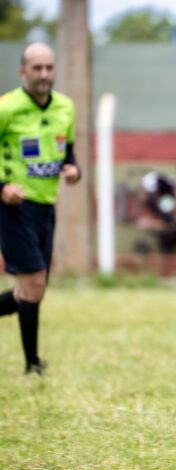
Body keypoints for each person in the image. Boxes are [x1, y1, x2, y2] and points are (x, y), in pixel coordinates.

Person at [0, 42, 80, 375]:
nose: (44, 74)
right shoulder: (7, 108)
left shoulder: (65, 107)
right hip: (14, 208)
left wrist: (73, 169)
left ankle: (33, 363)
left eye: (49, 67)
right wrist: (2, 188)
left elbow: (68, 152)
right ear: (23, 72)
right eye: (37, 68)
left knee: (33, 289)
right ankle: (32, 365)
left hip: (47, 206)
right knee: (33, 284)